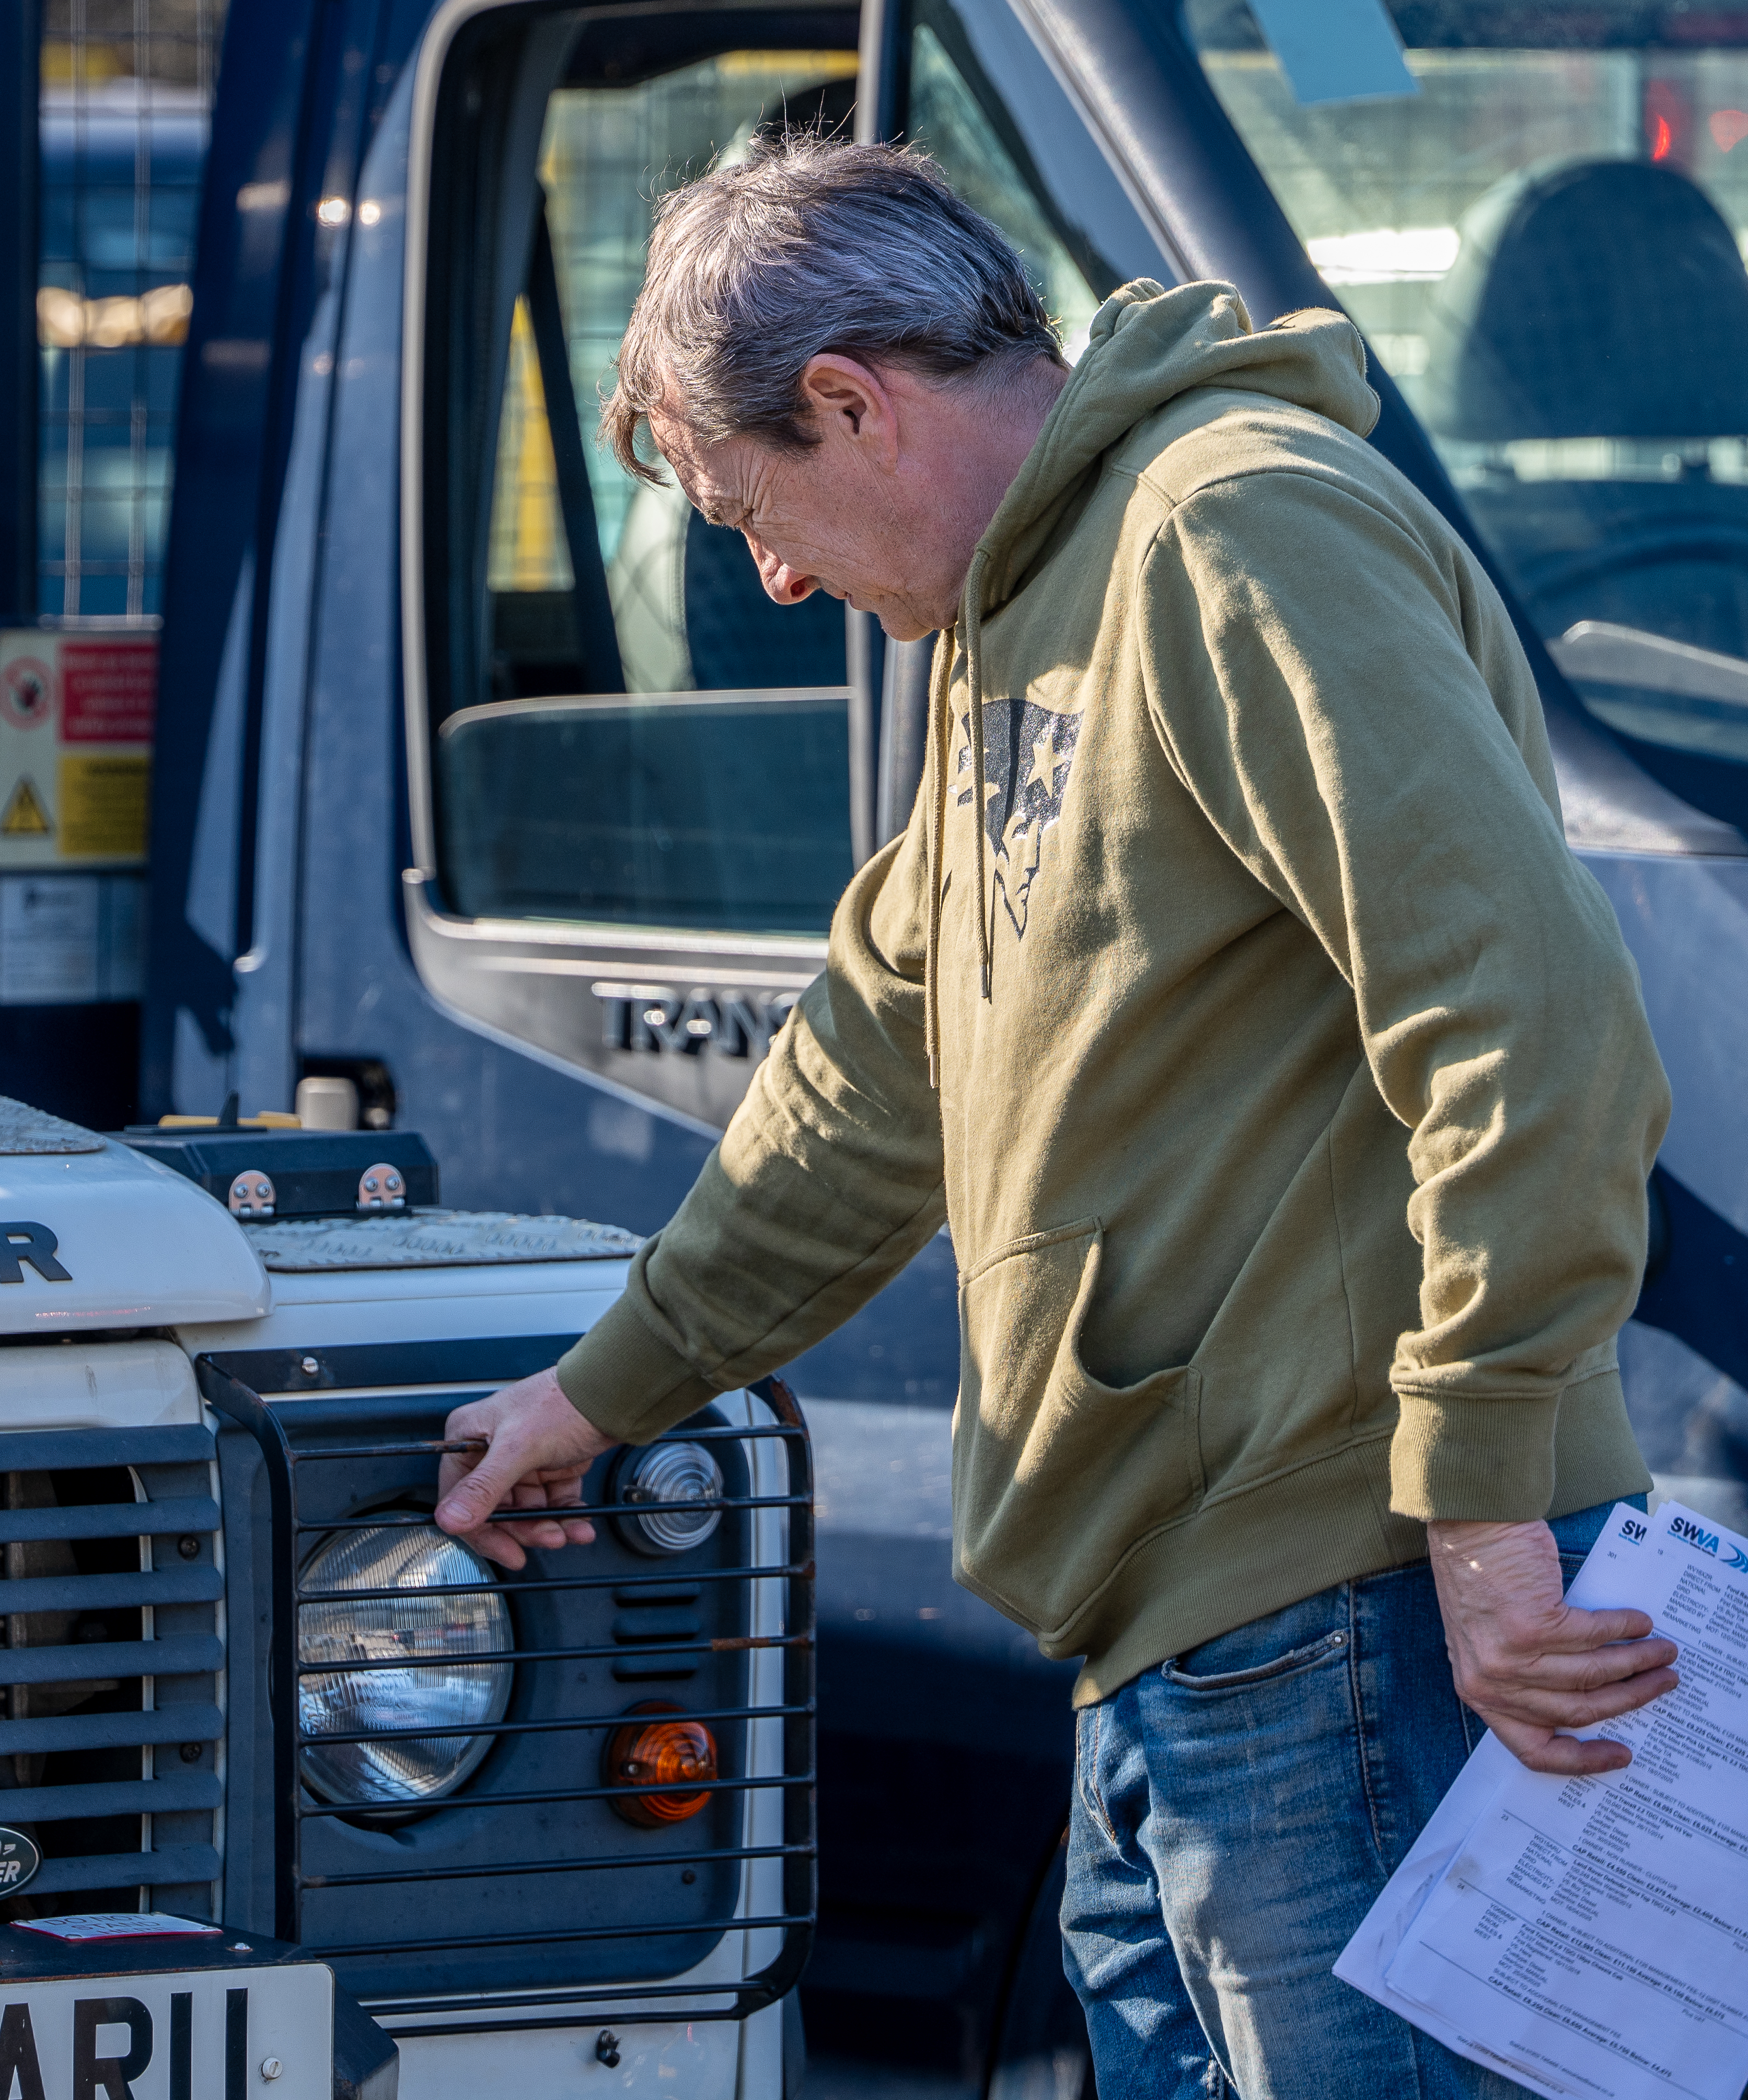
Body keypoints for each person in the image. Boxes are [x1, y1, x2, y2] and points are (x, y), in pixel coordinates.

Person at [434, 139, 1679, 2099]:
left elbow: (1530, 1018)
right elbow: (871, 1073)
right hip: (1185, 1639)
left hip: (1348, 1603)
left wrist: (1487, 1509)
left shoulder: (1233, 531)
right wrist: (603, 1395)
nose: (772, 575)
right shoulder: (1020, 609)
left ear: (850, 400)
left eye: (756, 508)